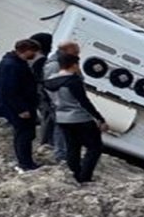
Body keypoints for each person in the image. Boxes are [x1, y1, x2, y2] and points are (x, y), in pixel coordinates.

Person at [44, 52, 108, 184]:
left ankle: (75, 175)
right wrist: (100, 119)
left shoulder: (49, 81)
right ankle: (85, 177)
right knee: (95, 147)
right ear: (74, 65)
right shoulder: (73, 81)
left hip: (61, 117)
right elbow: (84, 102)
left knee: (73, 147)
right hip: (79, 118)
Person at [0, 38, 43, 173]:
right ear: (26, 51)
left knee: (25, 134)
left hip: (23, 104)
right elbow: (9, 90)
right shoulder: (11, 65)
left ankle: (26, 162)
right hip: (19, 107)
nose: (35, 55)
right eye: (33, 52)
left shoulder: (16, 62)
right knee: (24, 134)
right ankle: (25, 164)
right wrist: (21, 109)